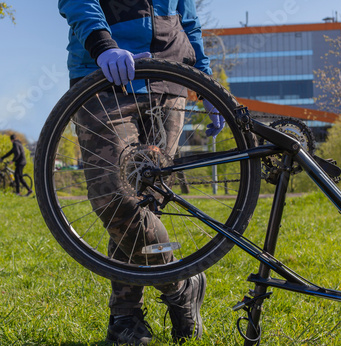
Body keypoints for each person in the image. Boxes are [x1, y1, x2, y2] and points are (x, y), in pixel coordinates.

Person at [58, 1, 225, 344]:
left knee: (144, 205)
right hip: (103, 77)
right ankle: (180, 286)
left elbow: (188, 20)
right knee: (115, 198)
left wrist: (206, 80)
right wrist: (103, 45)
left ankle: (125, 317)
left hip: (169, 82)